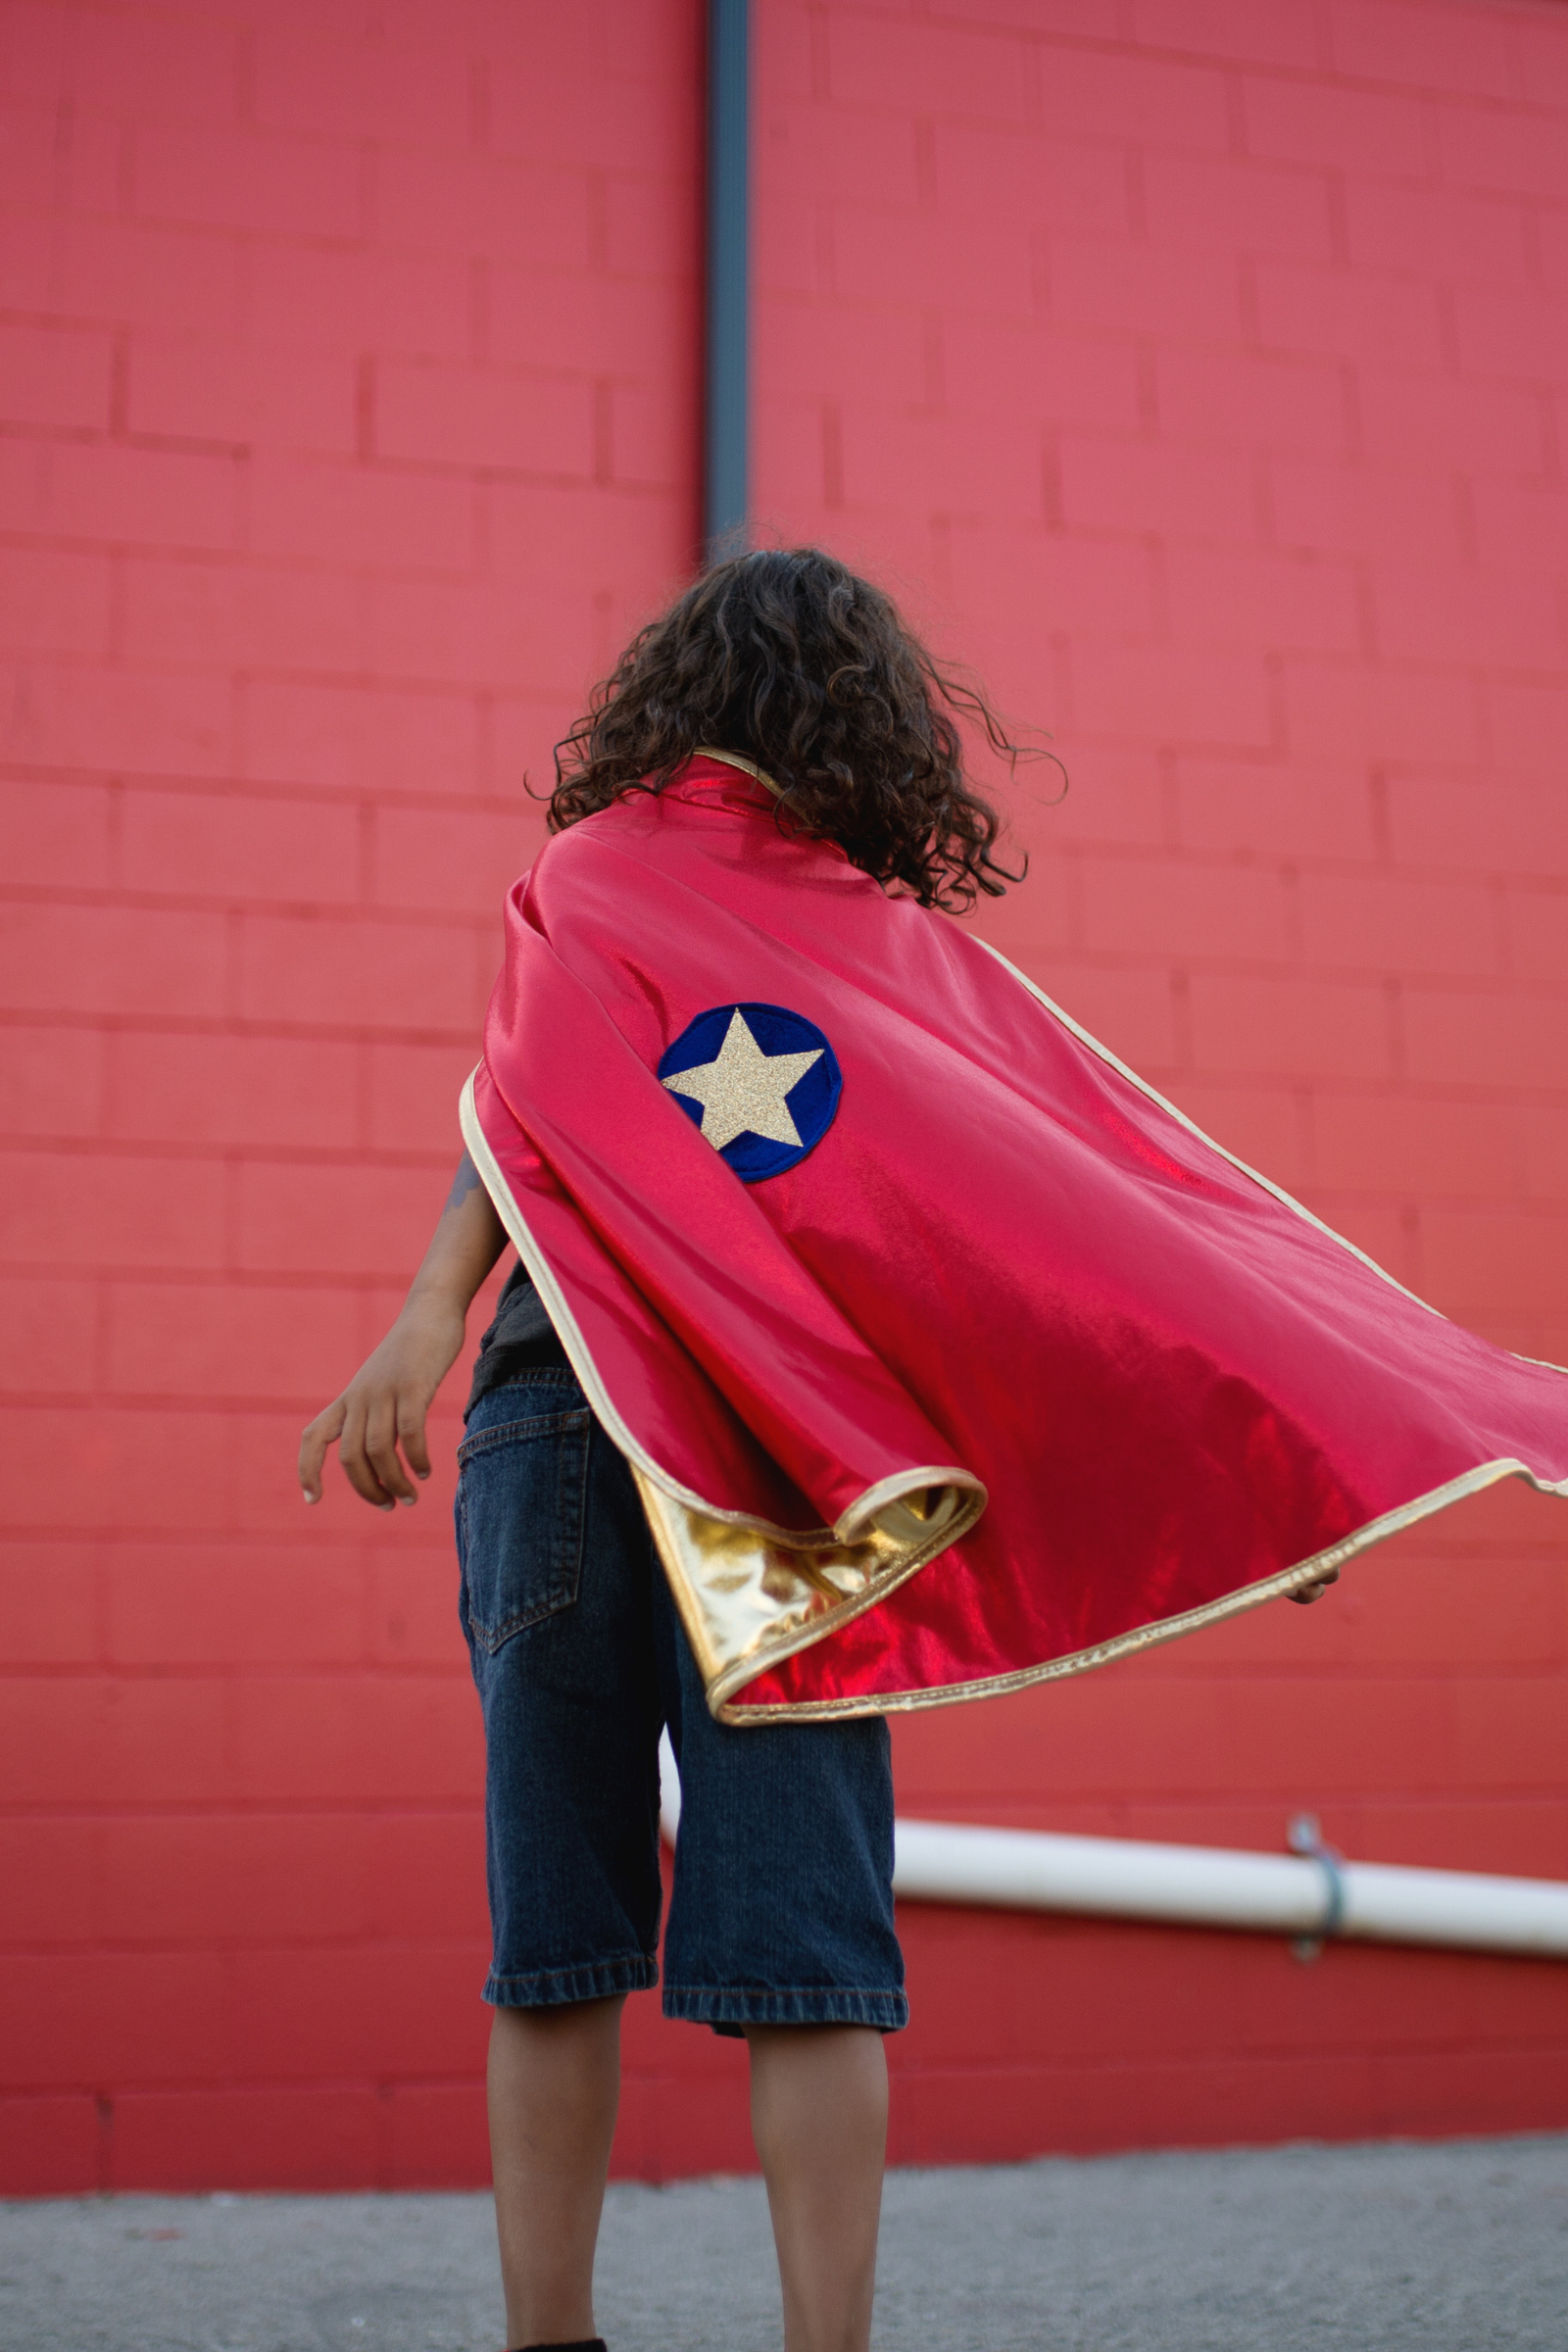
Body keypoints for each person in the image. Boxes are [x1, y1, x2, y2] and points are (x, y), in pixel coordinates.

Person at [298, 548, 1566, 2352]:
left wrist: (425, 1333)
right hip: (794, 1474)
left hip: (563, 1432)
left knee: (557, 1929)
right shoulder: (880, 956)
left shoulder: (598, 883)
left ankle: (546, 2339)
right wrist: (1262, 1445)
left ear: (674, 698)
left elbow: (533, 1107)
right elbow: (1079, 1248)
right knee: (809, 1943)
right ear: (862, 722)